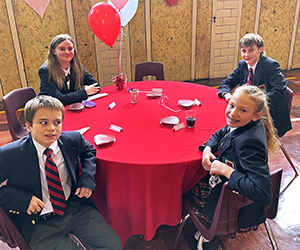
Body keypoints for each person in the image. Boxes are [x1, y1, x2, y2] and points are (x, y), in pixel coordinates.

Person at [0, 95, 122, 250]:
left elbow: (88, 151)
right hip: (39, 223)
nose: (52, 128)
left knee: (113, 245)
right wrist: (23, 200)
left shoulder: (72, 140)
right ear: (29, 126)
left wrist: (87, 178)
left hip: (74, 209)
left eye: (57, 122)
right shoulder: (10, 154)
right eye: (43, 122)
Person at [191, 85, 279, 236]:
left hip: (236, 208)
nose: (232, 113)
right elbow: (222, 132)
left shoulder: (250, 143)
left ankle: (208, 232)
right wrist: (207, 148)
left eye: (242, 110)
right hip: (229, 189)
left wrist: (226, 170)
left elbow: (263, 193)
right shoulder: (244, 123)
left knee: (188, 186)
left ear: (256, 115)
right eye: (231, 105)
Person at [218, 33, 291, 137]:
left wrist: (253, 103)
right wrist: (227, 95)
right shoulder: (243, 64)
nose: (246, 55)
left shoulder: (271, 66)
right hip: (249, 111)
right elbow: (226, 83)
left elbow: (278, 92)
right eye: (243, 51)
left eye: (251, 50)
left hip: (269, 115)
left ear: (260, 49)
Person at [39, 34, 101, 105]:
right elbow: (59, 100)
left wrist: (82, 93)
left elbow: (96, 86)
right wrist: (85, 92)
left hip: (71, 106)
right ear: (54, 51)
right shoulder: (45, 71)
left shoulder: (76, 65)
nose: (67, 52)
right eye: (62, 49)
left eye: (70, 49)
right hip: (50, 109)